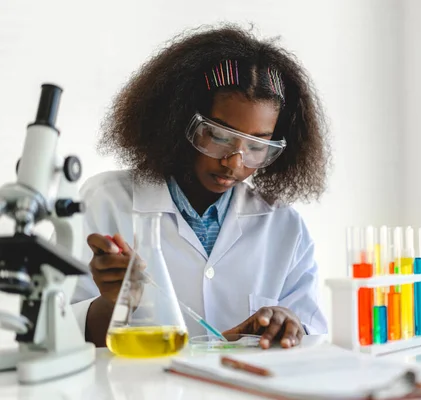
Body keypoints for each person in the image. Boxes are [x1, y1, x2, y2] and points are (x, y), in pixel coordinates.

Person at [71, 24, 330, 350]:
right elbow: (62, 333)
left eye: (256, 145)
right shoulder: (105, 202)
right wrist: (115, 301)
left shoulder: (284, 227)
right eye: (219, 136)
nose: (234, 163)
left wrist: (283, 327)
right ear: (178, 119)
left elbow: (310, 338)